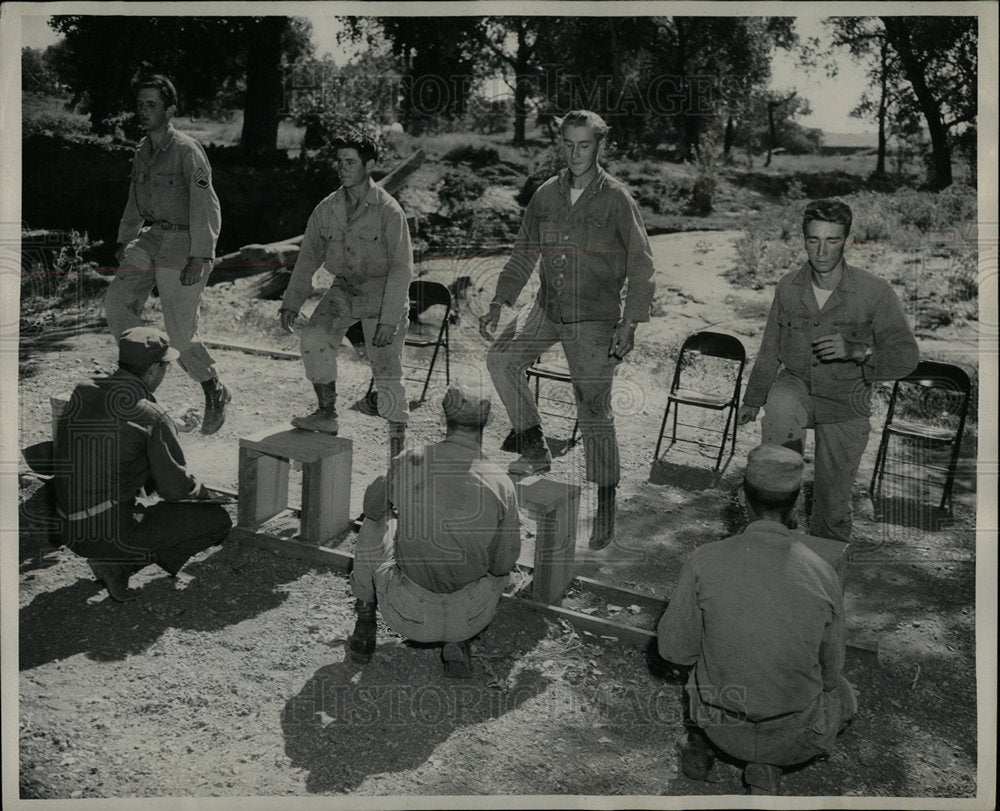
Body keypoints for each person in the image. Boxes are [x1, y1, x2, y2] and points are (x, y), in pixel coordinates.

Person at [478, 110, 655, 549]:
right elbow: (523, 253)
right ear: (562, 145)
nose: (576, 154)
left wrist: (630, 321)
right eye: (569, 145)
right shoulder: (545, 195)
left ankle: (606, 501)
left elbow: (642, 263)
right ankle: (535, 444)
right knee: (500, 358)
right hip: (548, 308)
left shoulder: (617, 198)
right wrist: (500, 300)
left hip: (595, 318)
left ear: (600, 146)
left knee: (593, 409)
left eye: (585, 145)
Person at [657, 444, 857, 795]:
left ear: (740, 496)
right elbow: (830, 671)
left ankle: (699, 745)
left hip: (722, 726)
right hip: (792, 736)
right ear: (796, 505)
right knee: (845, 694)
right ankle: (766, 766)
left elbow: (675, 651)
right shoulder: (823, 572)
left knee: (700, 666)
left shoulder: (704, 560)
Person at [737, 199, 919, 541]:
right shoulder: (788, 286)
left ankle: (824, 583)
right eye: (813, 240)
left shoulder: (874, 292)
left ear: (846, 240)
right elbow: (769, 349)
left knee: (833, 509)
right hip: (797, 389)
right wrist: (752, 399)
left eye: (832, 240)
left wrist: (859, 351)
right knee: (775, 487)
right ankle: (775, 558)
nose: (821, 251)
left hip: (846, 400)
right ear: (803, 239)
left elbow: (906, 357)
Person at [347, 383, 521, 677]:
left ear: (443, 417)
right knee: (489, 557)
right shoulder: (500, 482)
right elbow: (503, 564)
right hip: (472, 616)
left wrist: (390, 475)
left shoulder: (412, 460)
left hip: (407, 615)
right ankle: (458, 641)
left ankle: (365, 624)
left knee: (377, 521)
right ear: (489, 420)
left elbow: (373, 507)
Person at [50, 327, 232, 601]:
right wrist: (210, 497)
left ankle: (117, 561)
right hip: (103, 533)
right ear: (154, 370)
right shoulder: (153, 418)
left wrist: (168, 420)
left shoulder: (85, 387)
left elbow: (120, 424)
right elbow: (176, 490)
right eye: (165, 367)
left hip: (64, 524)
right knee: (216, 521)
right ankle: (123, 563)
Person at [105, 74, 230, 435]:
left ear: (170, 110)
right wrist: (123, 239)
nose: (143, 111)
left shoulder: (188, 150)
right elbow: (134, 201)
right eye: (140, 104)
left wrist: (201, 256)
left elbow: (207, 206)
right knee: (116, 302)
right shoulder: (142, 150)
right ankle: (142, 375)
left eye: (152, 105)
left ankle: (213, 386)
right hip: (151, 237)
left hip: (184, 241)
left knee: (179, 333)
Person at [279, 130, 412, 457]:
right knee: (313, 336)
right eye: (339, 161)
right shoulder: (328, 208)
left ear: (369, 165)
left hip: (382, 294)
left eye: (350, 161)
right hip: (345, 289)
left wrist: (388, 320)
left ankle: (398, 445)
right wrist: (291, 303)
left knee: (386, 370)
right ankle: (326, 412)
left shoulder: (388, 210)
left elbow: (401, 269)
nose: (342, 168)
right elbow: (308, 257)